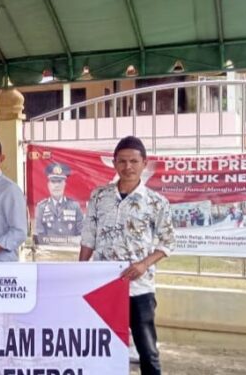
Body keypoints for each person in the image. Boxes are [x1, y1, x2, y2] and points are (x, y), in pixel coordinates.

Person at [79, 136, 175, 375]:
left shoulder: (156, 202)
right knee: (103, 347)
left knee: (147, 351)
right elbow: (89, 235)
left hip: (139, 287)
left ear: (144, 163)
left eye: (134, 161)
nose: (128, 167)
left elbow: (167, 242)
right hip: (104, 285)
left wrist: (144, 264)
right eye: (122, 161)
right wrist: (80, 271)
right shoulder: (99, 196)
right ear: (114, 163)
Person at [34, 162, 83, 238]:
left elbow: (81, 233)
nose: (57, 185)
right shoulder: (41, 208)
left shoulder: (75, 206)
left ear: (64, 184)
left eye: (59, 181)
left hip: (71, 249)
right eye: (53, 182)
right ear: (48, 185)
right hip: (48, 249)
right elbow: (39, 236)